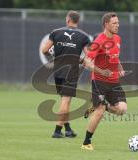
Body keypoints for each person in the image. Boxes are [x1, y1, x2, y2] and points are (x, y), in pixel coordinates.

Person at [41, 10, 110, 139]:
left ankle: (68, 129)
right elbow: (89, 56)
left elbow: (44, 50)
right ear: (78, 21)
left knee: (64, 100)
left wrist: (53, 53)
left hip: (58, 70)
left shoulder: (56, 32)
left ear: (67, 19)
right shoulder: (83, 36)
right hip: (71, 71)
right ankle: (57, 131)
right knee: (66, 101)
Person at [81, 12, 127, 150]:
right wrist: (101, 72)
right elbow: (86, 62)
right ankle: (86, 143)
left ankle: (101, 106)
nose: (117, 25)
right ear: (106, 24)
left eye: (118, 22)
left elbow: (114, 56)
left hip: (114, 81)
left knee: (122, 110)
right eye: (114, 23)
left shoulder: (118, 38)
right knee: (99, 113)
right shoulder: (98, 42)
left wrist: (119, 66)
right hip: (99, 81)